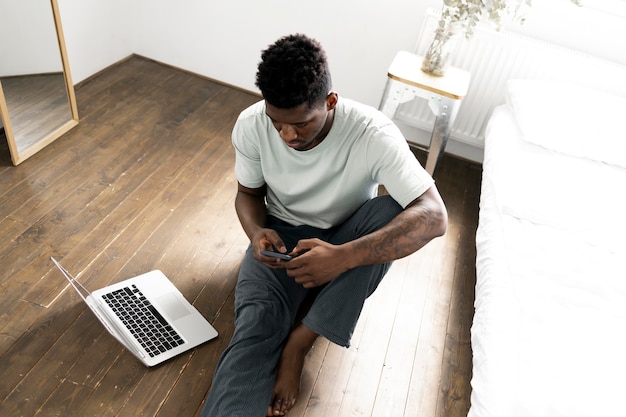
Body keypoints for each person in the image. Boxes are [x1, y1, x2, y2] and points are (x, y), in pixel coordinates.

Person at [200, 33, 447, 417]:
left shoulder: (372, 133)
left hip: (346, 234)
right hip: (282, 243)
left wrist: (342, 257)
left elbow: (434, 216)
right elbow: (247, 194)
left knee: (391, 211)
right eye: (276, 122)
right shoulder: (250, 125)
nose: (287, 136)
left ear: (330, 102)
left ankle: (300, 342)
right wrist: (255, 233)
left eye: (299, 124)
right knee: (253, 332)